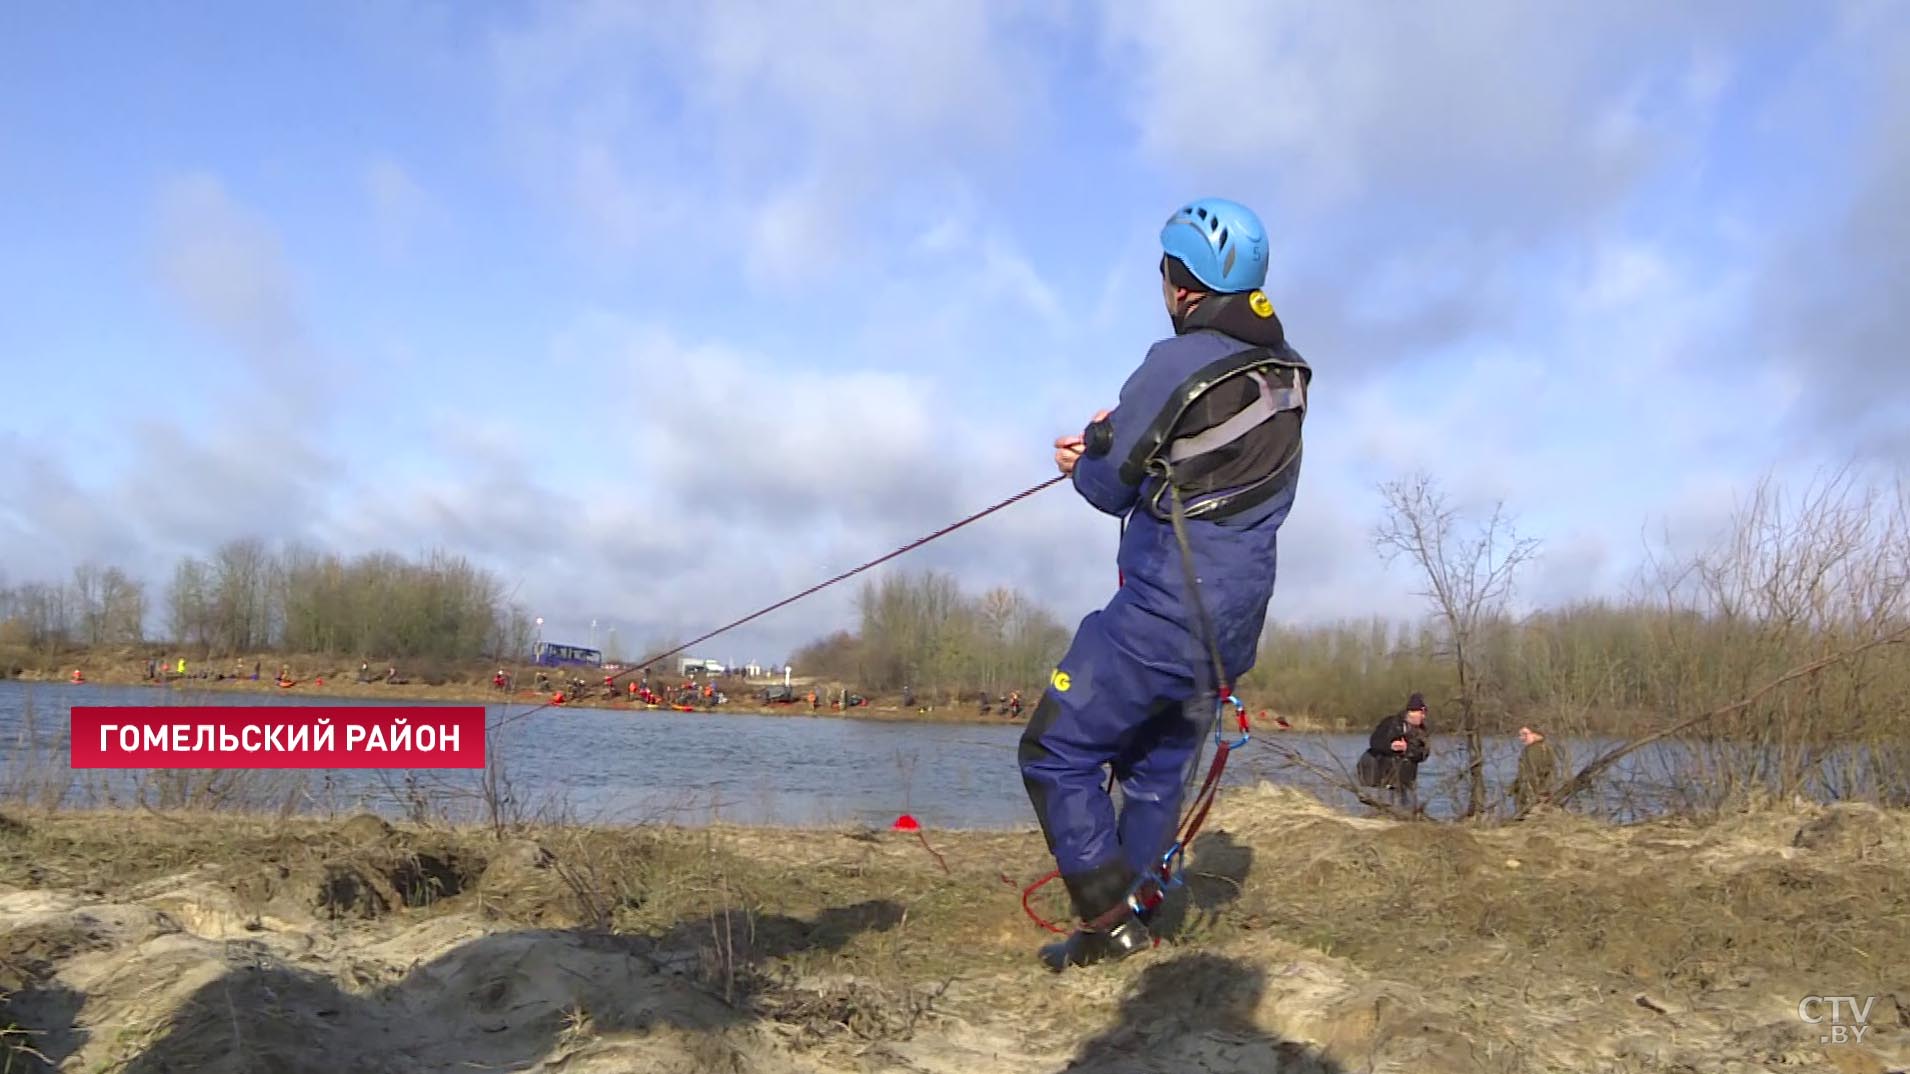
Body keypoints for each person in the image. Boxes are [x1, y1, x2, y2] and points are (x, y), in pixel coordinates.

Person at [1019, 197, 1310, 970]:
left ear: (1184, 285)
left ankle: (1107, 925)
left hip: (1161, 611)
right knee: (1152, 774)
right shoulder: (1287, 374)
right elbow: (1212, 466)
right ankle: (1138, 915)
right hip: (1233, 626)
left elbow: (1110, 487)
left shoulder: (1176, 361)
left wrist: (1083, 460)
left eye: (1165, 274)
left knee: (1054, 749)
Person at [1359, 692, 1431, 809]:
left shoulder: (1422, 732)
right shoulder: (1390, 723)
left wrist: (1407, 749)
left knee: (1406, 810)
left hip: (1407, 781)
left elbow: (1424, 754)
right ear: (1412, 712)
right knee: (1383, 808)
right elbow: (1375, 741)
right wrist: (1391, 746)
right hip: (1383, 778)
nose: (1424, 717)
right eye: (1422, 713)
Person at [1511, 724, 1560, 812]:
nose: (1521, 738)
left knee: (1530, 817)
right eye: (1520, 735)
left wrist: (1534, 793)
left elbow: (1532, 774)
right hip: (1541, 792)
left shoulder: (1534, 750)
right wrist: (1514, 787)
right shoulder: (1544, 748)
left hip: (1533, 794)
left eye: (1525, 734)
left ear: (1536, 734)